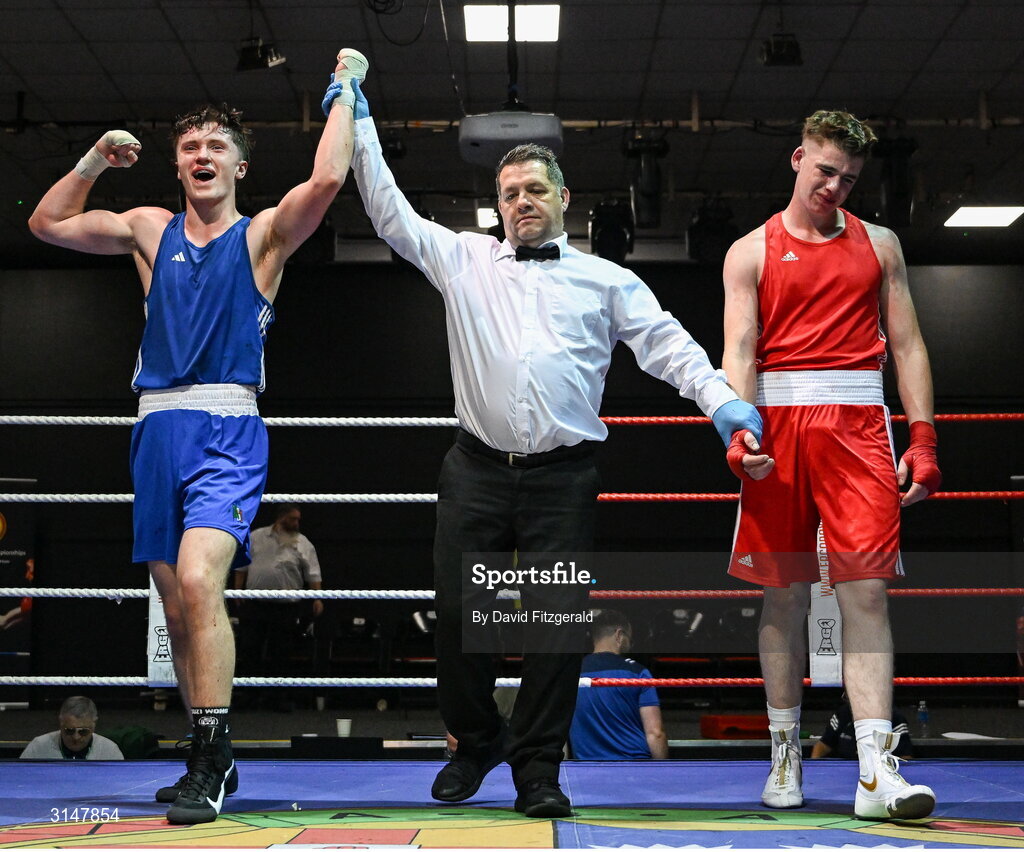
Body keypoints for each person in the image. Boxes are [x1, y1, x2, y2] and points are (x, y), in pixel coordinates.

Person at [348, 80, 761, 817]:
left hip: (562, 478)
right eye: (508, 192)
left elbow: (670, 349)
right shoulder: (464, 260)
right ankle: (476, 744)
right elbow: (388, 211)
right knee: (454, 614)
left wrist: (724, 403)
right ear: (497, 204)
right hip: (475, 467)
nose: (521, 202)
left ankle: (538, 767)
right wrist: (360, 118)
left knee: (552, 627)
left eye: (535, 189)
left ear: (563, 197)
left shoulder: (607, 280)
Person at [27, 50, 366, 824]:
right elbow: (45, 223)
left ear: (240, 166)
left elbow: (326, 183)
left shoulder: (263, 237)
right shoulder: (148, 230)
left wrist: (347, 92)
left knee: (200, 578)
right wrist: (91, 161)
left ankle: (211, 757)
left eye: (216, 147)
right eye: (190, 148)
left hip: (226, 428)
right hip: (154, 429)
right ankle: (204, 753)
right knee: (175, 605)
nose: (201, 155)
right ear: (177, 166)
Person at [721, 109, 941, 820]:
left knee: (866, 594)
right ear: (796, 158)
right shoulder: (749, 251)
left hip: (858, 429)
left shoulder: (881, 244)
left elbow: (905, 345)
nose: (835, 187)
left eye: (848, 178)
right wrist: (739, 427)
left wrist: (924, 438)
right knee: (783, 594)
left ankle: (876, 769)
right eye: (825, 171)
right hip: (779, 429)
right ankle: (784, 752)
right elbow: (741, 350)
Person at [234, 503, 324, 709]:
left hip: (285, 607)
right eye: (293, 519)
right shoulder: (256, 537)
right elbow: (241, 565)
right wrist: (237, 590)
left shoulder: (302, 542)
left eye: (298, 519)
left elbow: (313, 573)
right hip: (255, 605)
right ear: (281, 518)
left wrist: (318, 597)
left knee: (281, 654)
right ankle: (250, 696)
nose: (297, 523)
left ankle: (278, 697)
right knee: (250, 651)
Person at [570, 610, 668, 760]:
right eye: (630, 638)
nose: (630, 644)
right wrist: (664, 773)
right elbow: (655, 733)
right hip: (636, 766)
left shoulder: (572, 674)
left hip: (588, 770)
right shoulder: (638, 673)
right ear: (619, 635)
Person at [20, 696, 124, 760]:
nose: (76, 737)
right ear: (60, 723)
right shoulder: (38, 748)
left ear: (94, 725)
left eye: (83, 732)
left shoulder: (110, 751)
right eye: (69, 731)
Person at [812, 698, 913, 760]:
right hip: (845, 770)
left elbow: (905, 756)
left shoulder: (894, 717)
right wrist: (814, 771)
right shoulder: (843, 713)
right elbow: (823, 745)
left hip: (881, 770)